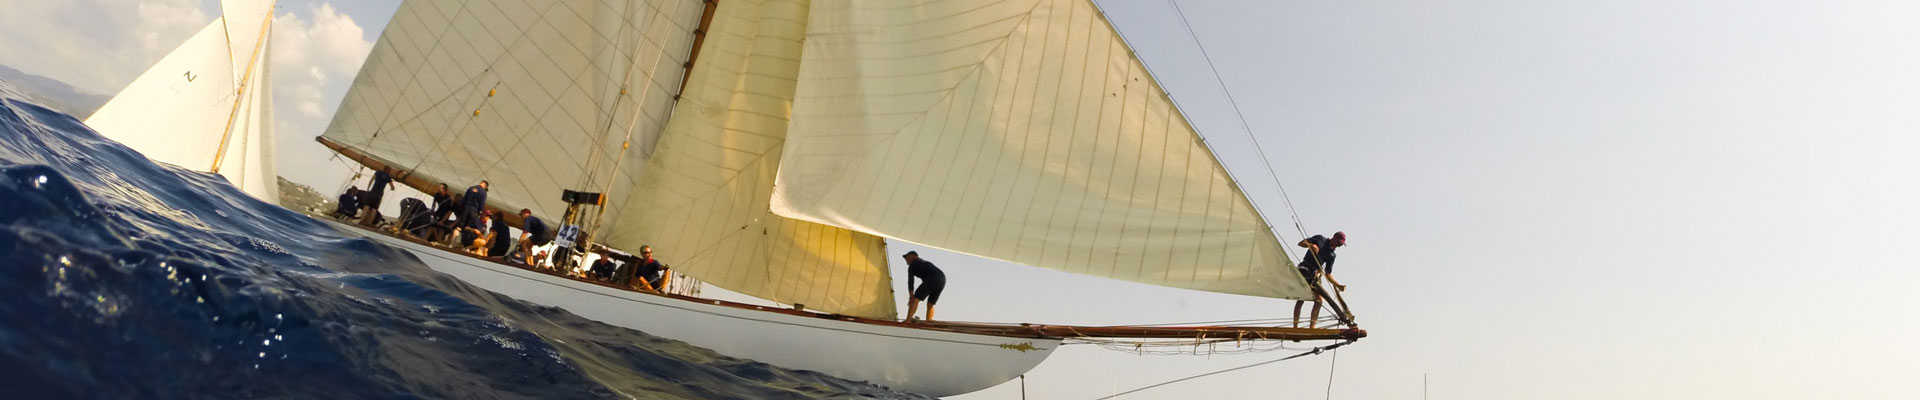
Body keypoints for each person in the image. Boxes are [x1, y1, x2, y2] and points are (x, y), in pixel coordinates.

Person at [1293, 231, 1348, 329]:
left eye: (1341, 245)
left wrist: (1338, 285)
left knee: (1319, 300)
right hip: (1304, 269)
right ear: (1334, 238)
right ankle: (1295, 327)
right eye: (1339, 243)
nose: (1339, 246)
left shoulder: (1332, 255)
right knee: (1301, 299)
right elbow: (1300, 243)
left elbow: (1328, 274)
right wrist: (1311, 245)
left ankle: (1312, 327)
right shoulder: (1320, 239)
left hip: (1314, 274)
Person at [902, 251, 945, 322]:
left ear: (914, 256)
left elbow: (910, 282)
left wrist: (911, 297)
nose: (906, 259)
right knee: (930, 303)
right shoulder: (925, 263)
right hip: (942, 279)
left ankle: (908, 320)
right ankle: (929, 320)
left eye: (907, 257)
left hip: (933, 279)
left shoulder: (913, 265)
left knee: (915, 300)